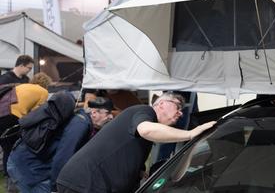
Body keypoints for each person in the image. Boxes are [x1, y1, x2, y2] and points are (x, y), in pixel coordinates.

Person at [57, 91, 216, 193]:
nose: (180, 113)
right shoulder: (143, 111)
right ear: (161, 103)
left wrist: (192, 144)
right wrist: (189, 134)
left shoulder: (145, 140)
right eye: (178, 106)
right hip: (85, 184)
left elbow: (173, 177)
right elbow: (146, 129)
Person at [7, 95, 114, 193]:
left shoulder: (83, 120)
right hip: (28, 168)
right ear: (94, 113)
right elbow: (63, 156)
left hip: (26, 163)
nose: (111, 117)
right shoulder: (80, 124)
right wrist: (56, 188)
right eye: (108, 113)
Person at [0, 72, 52, 192]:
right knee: (13, 149)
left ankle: (10, 180)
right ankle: (13, 182)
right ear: (46, 84)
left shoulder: (22, 86)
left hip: (2, 114)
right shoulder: (43, 92)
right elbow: (37, 114)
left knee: (6, 147)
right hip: (11, 117)